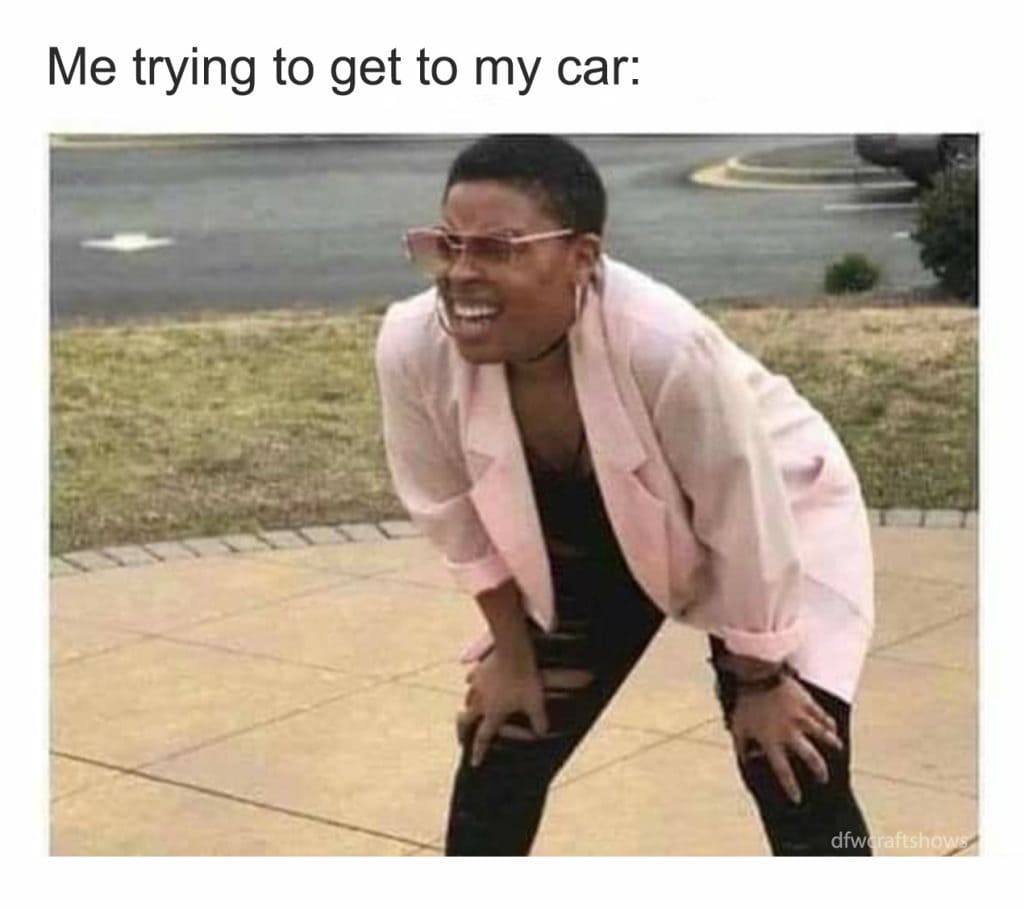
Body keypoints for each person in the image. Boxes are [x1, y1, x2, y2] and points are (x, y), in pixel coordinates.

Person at [375, 134, 875, 856]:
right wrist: (512, 652)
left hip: (770, 520)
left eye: (499, 247)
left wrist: (760, 679)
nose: (462, 273)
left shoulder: (665, 344)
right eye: (449, 245)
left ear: (582, 256)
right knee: (503, 746)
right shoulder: (412, 342)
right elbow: (449, 509)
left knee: (793, 762)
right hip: (599, 531)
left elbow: (743, 517)